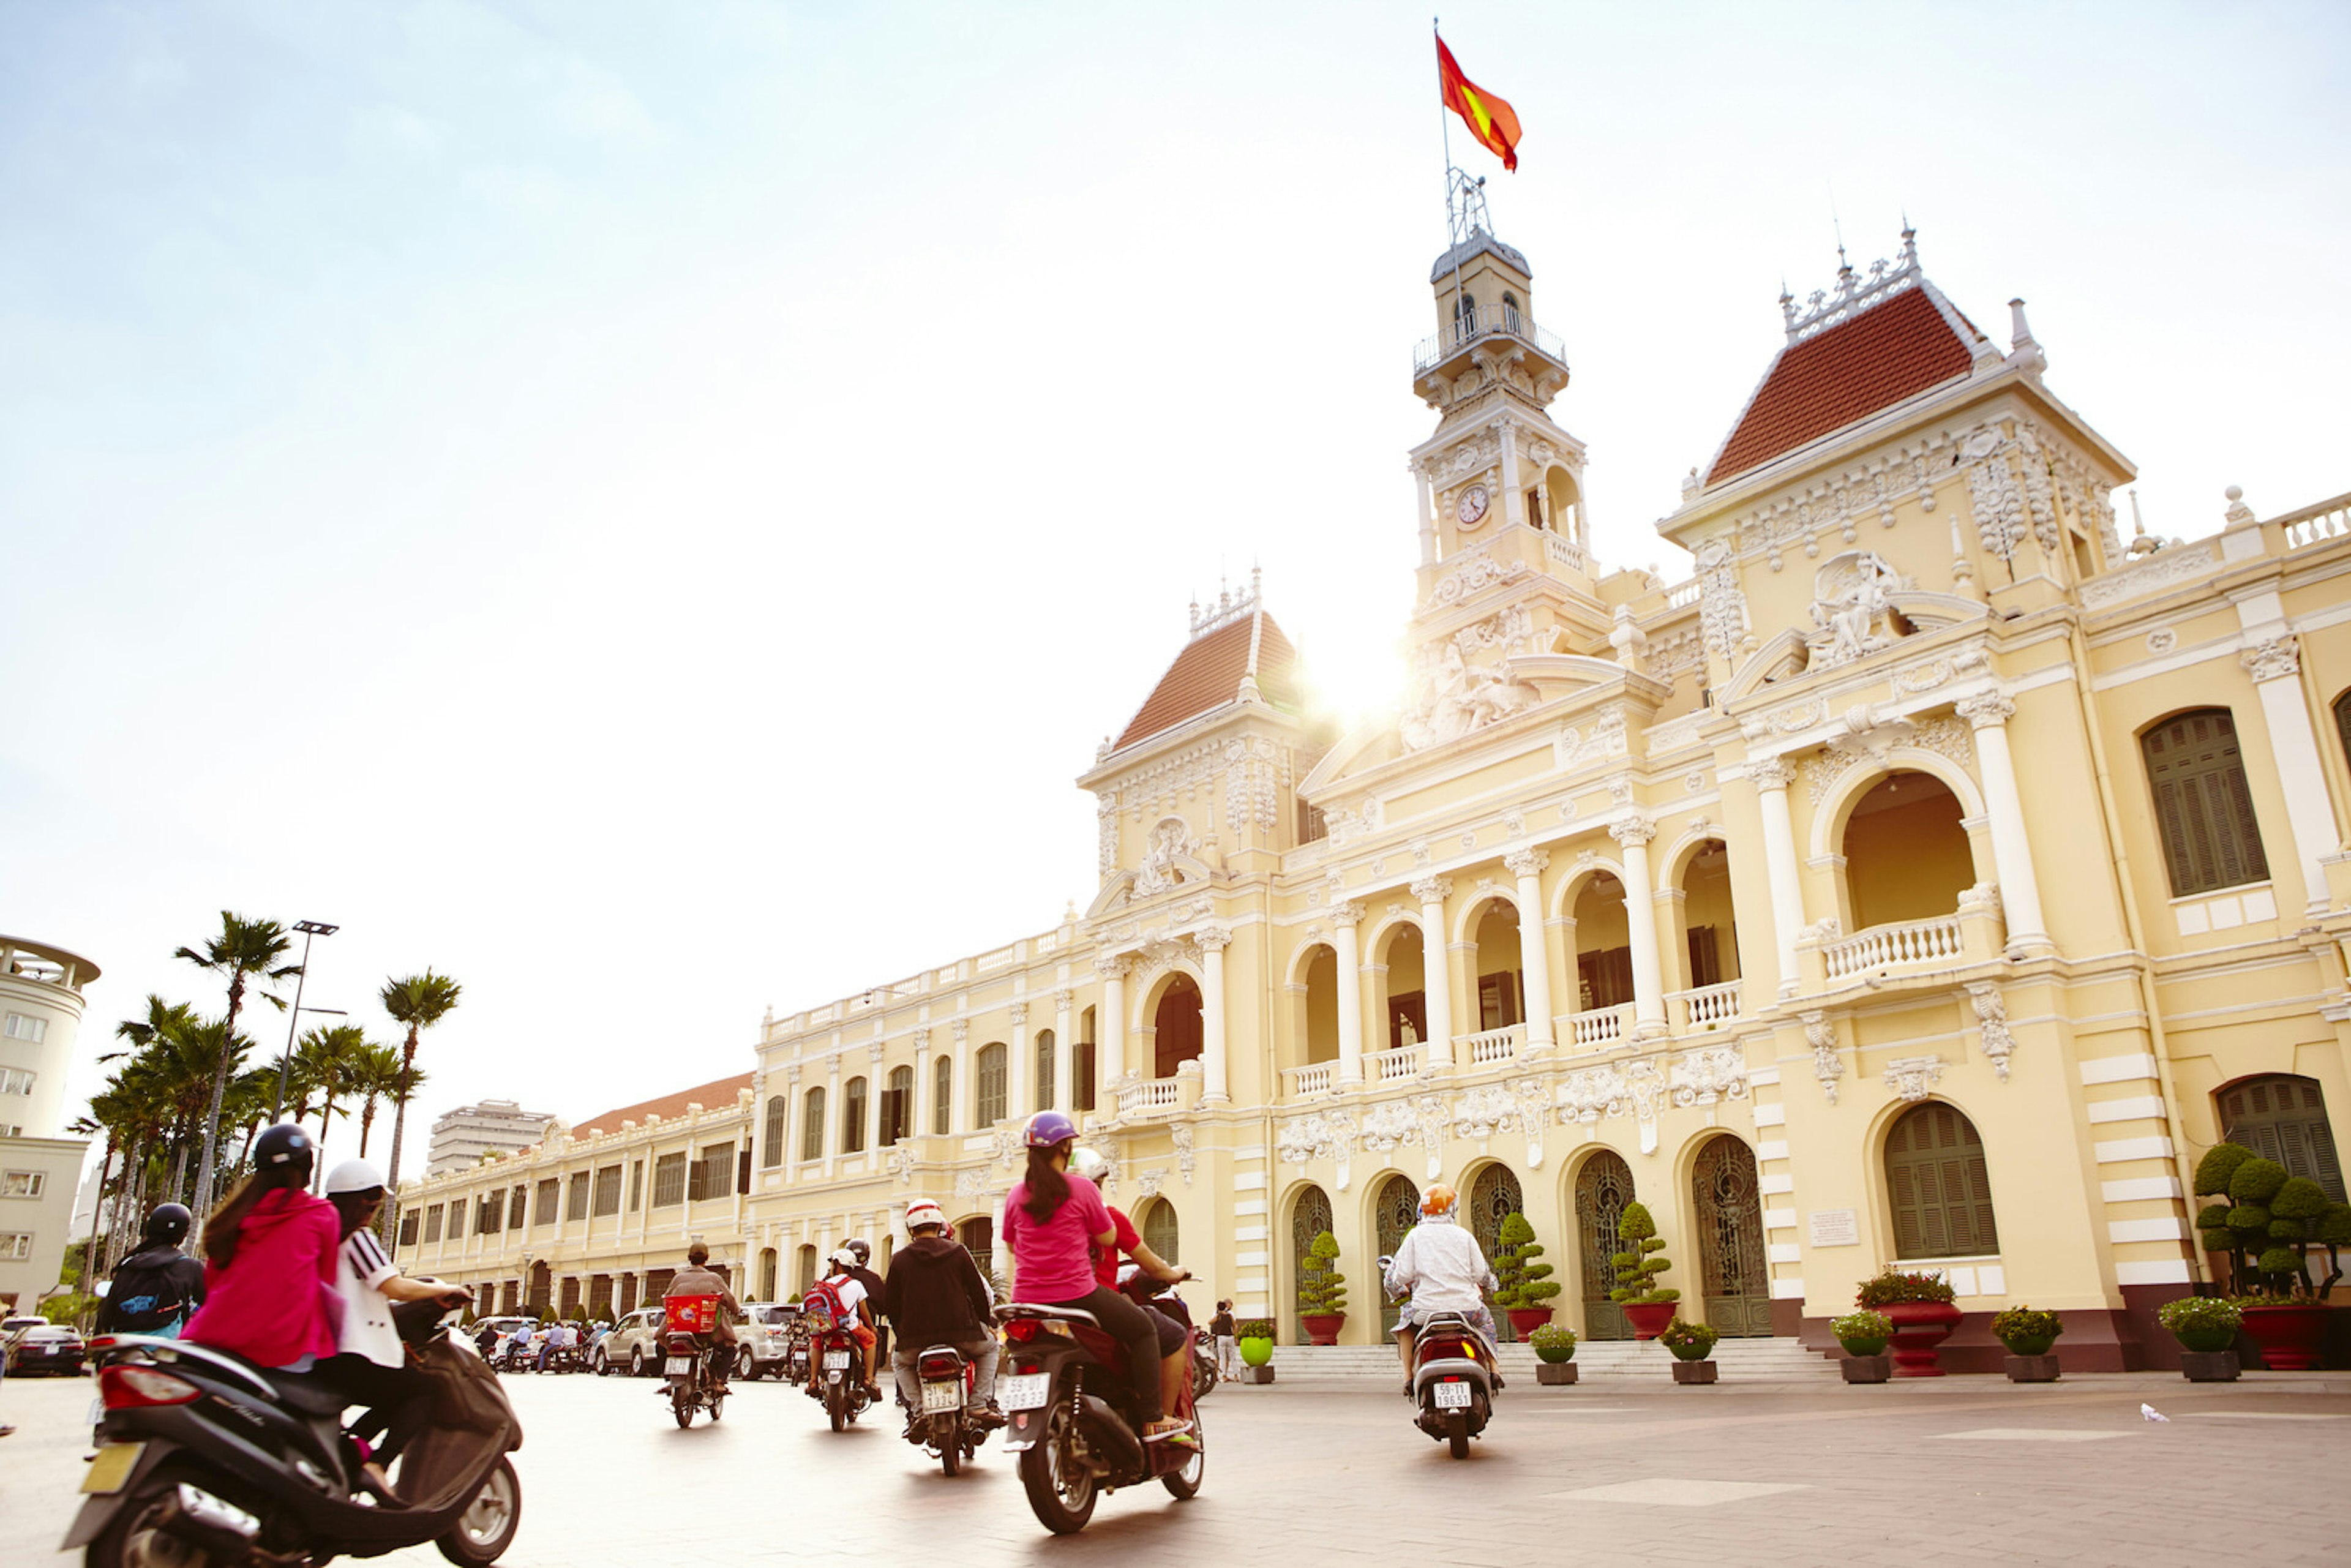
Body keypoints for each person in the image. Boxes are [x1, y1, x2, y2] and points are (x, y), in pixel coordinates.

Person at [1000, 1111, 1188, 1446]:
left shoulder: (1016, 1195)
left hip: (1026, 1300)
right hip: (1077, 1295)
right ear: (1065, 1148)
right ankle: (1152, 1418)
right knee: (1144, 1330)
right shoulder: (1082, 1189)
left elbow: (1013, 1247)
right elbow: (1106, 1238)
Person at [318, 1159, 470, 1503]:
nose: (374, 1210)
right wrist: (442, 1290)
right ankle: (377, 1465)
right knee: (425, 1391)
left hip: (325, 1354)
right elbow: (394, 1287)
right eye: (371, 1202)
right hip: (354, 1353)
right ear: (357, 1201)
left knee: (395, 1395)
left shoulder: (324, 1240)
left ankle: (347, 1455)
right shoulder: (358, 1239)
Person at [182, 1125, 341, 1373]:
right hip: (283, 1349)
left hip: (211, 1341)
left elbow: (213, 1282)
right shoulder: (321, 1214)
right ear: (307, 1164)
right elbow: (326, 1281)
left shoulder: (232, 1219)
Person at [1067, 1146, 1192, 1424]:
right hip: (1092, 1300)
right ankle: (1159, 1418)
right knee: (1167, 1334)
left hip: (1043, 1303)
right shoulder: (1105, 1216)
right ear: (1096, 1185)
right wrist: (1174, 1273)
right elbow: (1151, 1263)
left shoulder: (1048, 1216)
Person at [880, 1199, 999, 1438]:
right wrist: (984, 1325)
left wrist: (901, 1333)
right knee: (991, 1350)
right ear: (939, 1225)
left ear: (911, 1229)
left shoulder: (900, 1259)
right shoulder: (959, 1252)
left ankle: (919, 1410)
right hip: (963, 1335)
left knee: (900, 1363)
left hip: (914, 1340)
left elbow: (890, 1305)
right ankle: (978, 1403)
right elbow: (978, 1293)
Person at [1381, 1183, 1502, 1397]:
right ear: (1452, 1209)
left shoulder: (1415, 1237)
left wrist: (1398, 1286)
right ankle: (1495, 1370)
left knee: (1405, 1326)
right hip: (1467, 1309)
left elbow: (1401, 1276)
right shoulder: (1464, 1235)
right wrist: (1491, 1282)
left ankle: (1408, 1377)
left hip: (1426, 1312)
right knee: (1486, 1322)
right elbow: (1480, 1273)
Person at [95, 1202, 208, 1338]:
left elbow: (107, 1315)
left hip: (122, 1341)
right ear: (184, 1234)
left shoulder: (128, 1264)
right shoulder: (190, 1266)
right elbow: (211, 1306)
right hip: (166, 1345)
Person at [662, 1240, 744, 1394]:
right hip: (708, 1331)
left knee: (661, 1345)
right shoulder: (714, 1279)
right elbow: (729, 1300)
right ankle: (719, 1382)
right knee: (729, 1350)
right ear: (706, 1258)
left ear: (689, 1258)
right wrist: (737, 1311)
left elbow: (667, 1299)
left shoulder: (678, 1279)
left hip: (680, 1329)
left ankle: (668, 1378)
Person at [803, 1248, 879, 1398]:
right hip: (851, 1328)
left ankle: (813, 1381)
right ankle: (869, 1379)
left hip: (828, 1329)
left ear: (837, 1265)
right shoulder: (856, 1285)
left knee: (816, 1344)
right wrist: (872, 1328)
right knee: (871, 1341)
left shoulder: (823, 1285)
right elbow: (864, 1312)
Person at [842, 1237, 889, 1371]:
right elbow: (883, 1307)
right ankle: (870, 1377)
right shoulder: (873, 1279)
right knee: (875, 1340)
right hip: (863, 1327)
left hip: (835, 1325)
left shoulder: (834, 1276)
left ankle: (816, 1379)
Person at [1210, 1299, 1238, 1380]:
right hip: (1230, 1337)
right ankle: (1236, 1375)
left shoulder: (1218, 1316)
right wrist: (1235, 1336)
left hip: (1221, 1337)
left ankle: (1224, 1375)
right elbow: (1234, 1325)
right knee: (1233, 1357)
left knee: (1222, 1357)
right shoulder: (1230, 1315)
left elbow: (1210, 1322)